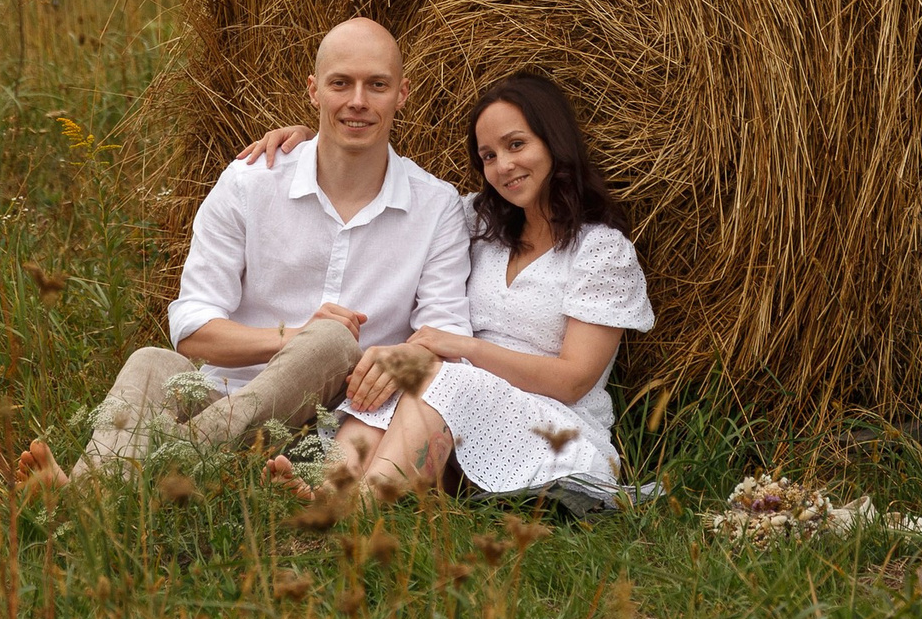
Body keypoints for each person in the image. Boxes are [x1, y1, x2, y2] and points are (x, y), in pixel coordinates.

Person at [16, 17, 471, 485]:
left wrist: (389, 358)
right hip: (224, 400)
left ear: (403, 92)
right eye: (341, 83)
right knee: (151, 362)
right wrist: (292, 338)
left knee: (335, 342)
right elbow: (192, 325)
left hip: (347, 426)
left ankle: (138, 476)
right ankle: (98, 492)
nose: (358, 101)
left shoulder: (436, 207)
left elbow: (447, 337)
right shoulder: (250, 182)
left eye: (377, 85)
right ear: (314, 90)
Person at [246, 71, 654, 502]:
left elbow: (574, 380)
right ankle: (328, 493)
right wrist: (321, 146)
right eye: (489, 156)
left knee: (439, 376)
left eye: (517, 145)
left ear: (554, 142)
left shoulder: (601, 251)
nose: (504, 166)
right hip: (459, 412)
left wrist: (467, 348)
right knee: (395, 373)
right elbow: (399, 188)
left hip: (555, 429)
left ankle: (359, 510)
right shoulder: (478, 223)